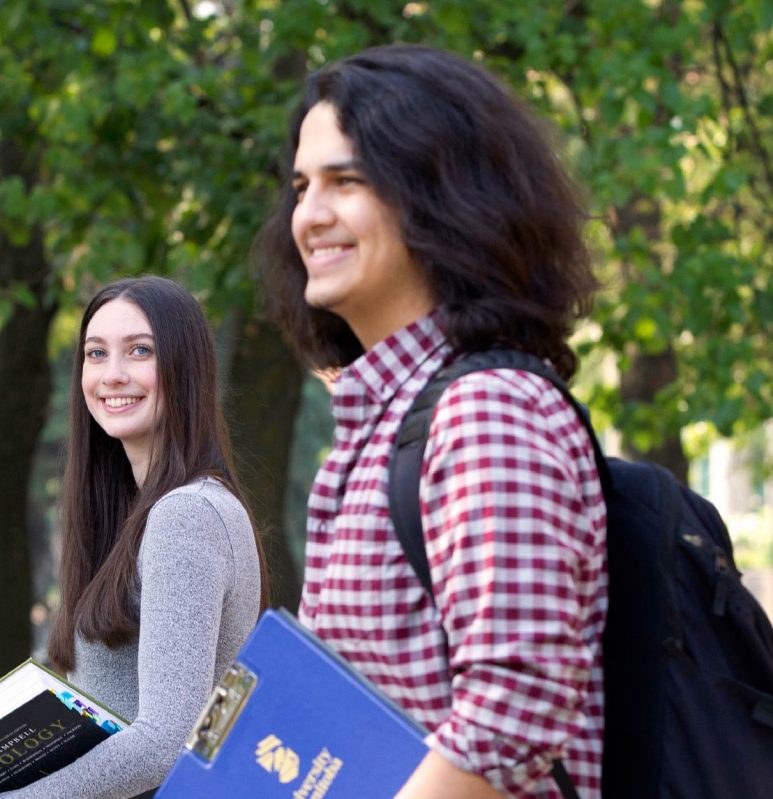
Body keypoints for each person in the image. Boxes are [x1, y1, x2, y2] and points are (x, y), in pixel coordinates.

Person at [256, 44, 607, 798]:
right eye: (301, 186)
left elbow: (514, 712)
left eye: (346, 181)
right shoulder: (381, 418)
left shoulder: (487, 411)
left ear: (442, 196)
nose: (308, 216)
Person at [0, 276, 268, 799]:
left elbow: (166, 742)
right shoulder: (134, 515)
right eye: (96, 354)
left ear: (186, 369)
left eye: (139, 350)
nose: (112, 375)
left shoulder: (186, 515)